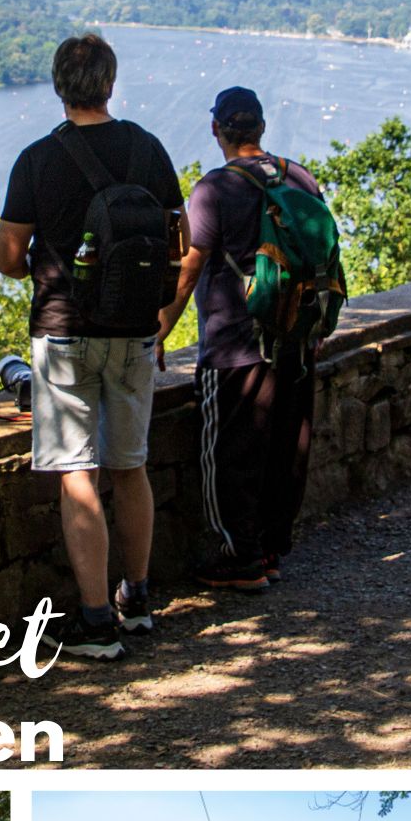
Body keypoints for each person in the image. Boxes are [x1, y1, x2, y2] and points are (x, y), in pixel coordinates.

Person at [0, 32, 183, 659]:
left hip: (64, 330)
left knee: (77, 470)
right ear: (110, 82)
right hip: (134, 330)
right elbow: (175, 246)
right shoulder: (150, 151)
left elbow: (8, 257)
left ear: (59, 85)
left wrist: (38, 268)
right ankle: (138, 598)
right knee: (130, 466)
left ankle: (96, 623)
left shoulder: (36, 160)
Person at [158, 86, 328, 592]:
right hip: (295, 343)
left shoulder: (213, 190)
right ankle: (272, 549)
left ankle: (241, 557)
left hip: (237, 347)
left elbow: (187, 274)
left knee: (230, 454)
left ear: (217, 130)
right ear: (260, 127)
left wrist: (158, 332)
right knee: (283, 451)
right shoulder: (300, 176)